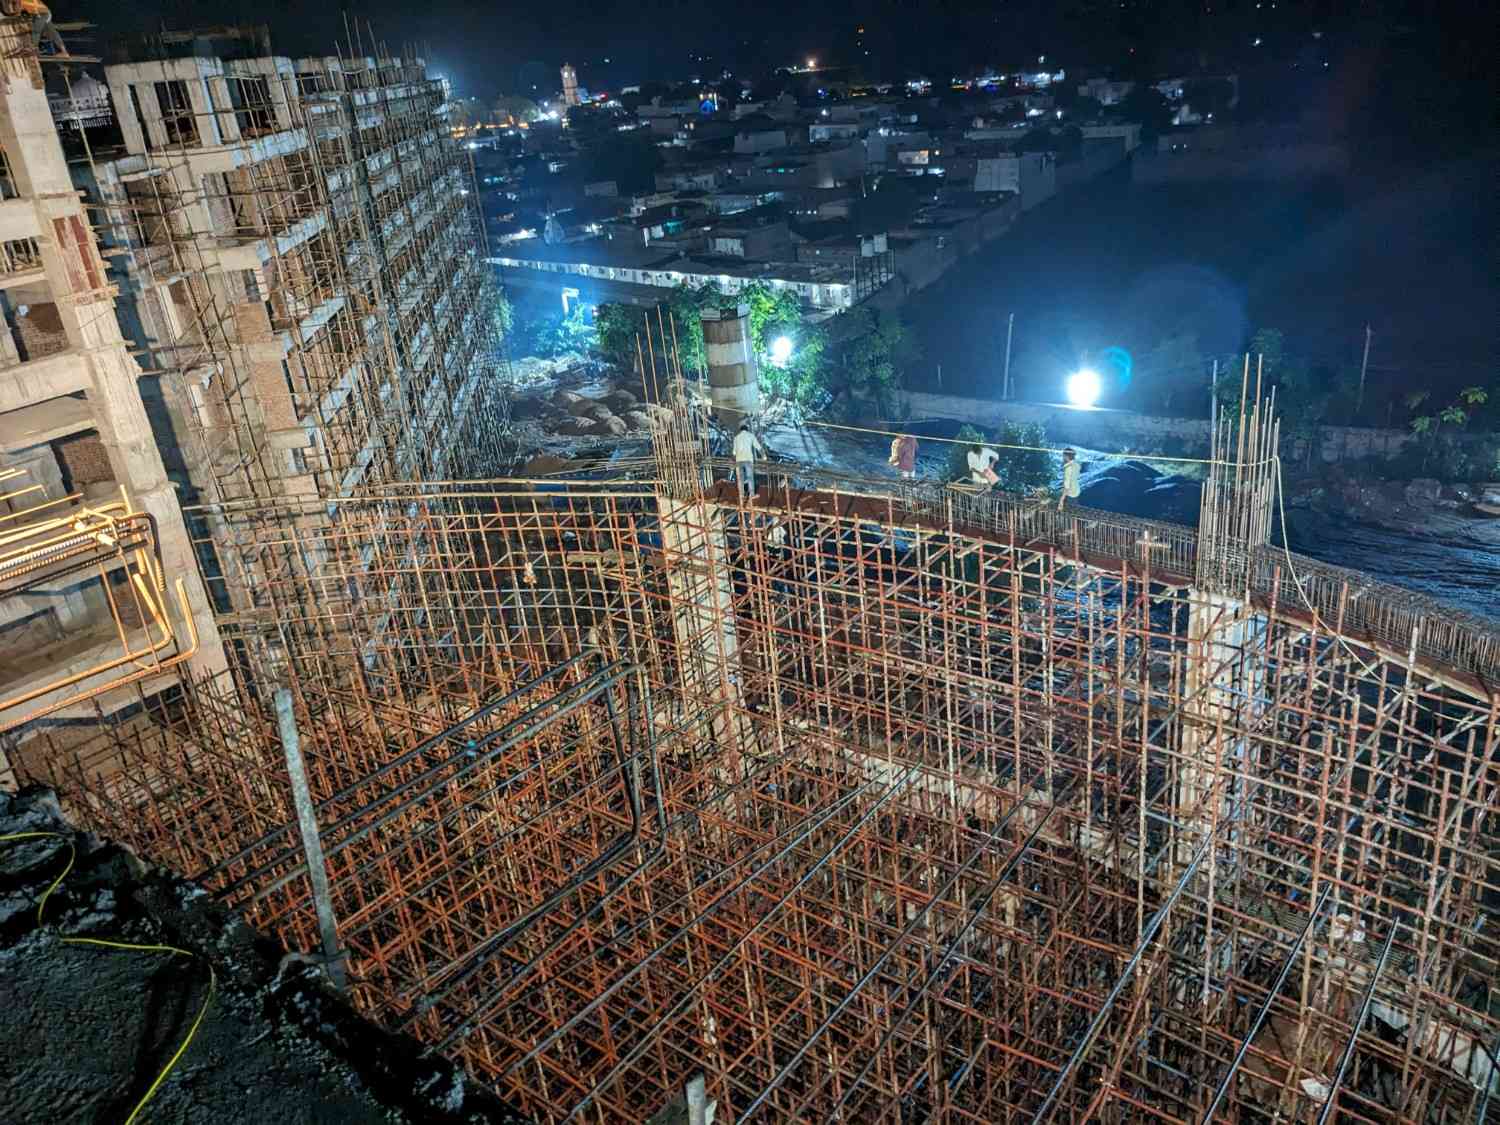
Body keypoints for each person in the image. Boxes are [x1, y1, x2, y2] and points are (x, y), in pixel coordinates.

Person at [732, 421, 766, 501]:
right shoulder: (751, 436)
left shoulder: (736, 437)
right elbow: (758, 446)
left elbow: (734, 452)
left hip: (739, 460)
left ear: (740, 430)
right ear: (747, 430)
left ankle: (742, 495)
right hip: (748, 459)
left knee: (740, 478)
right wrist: (764, 456)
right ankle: (751, 494)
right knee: (750, 477)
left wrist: (733, 461)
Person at [1058, 447, 1081, 511]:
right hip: (1076, 491)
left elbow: (1067, 487)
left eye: (1063, 456)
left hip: (1070, 494)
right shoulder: (1077, 465)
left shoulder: (1068, 468)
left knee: (1069, 513)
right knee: (1074, 511)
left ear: (1066, 456)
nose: (1062, 457)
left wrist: (1061, 500)